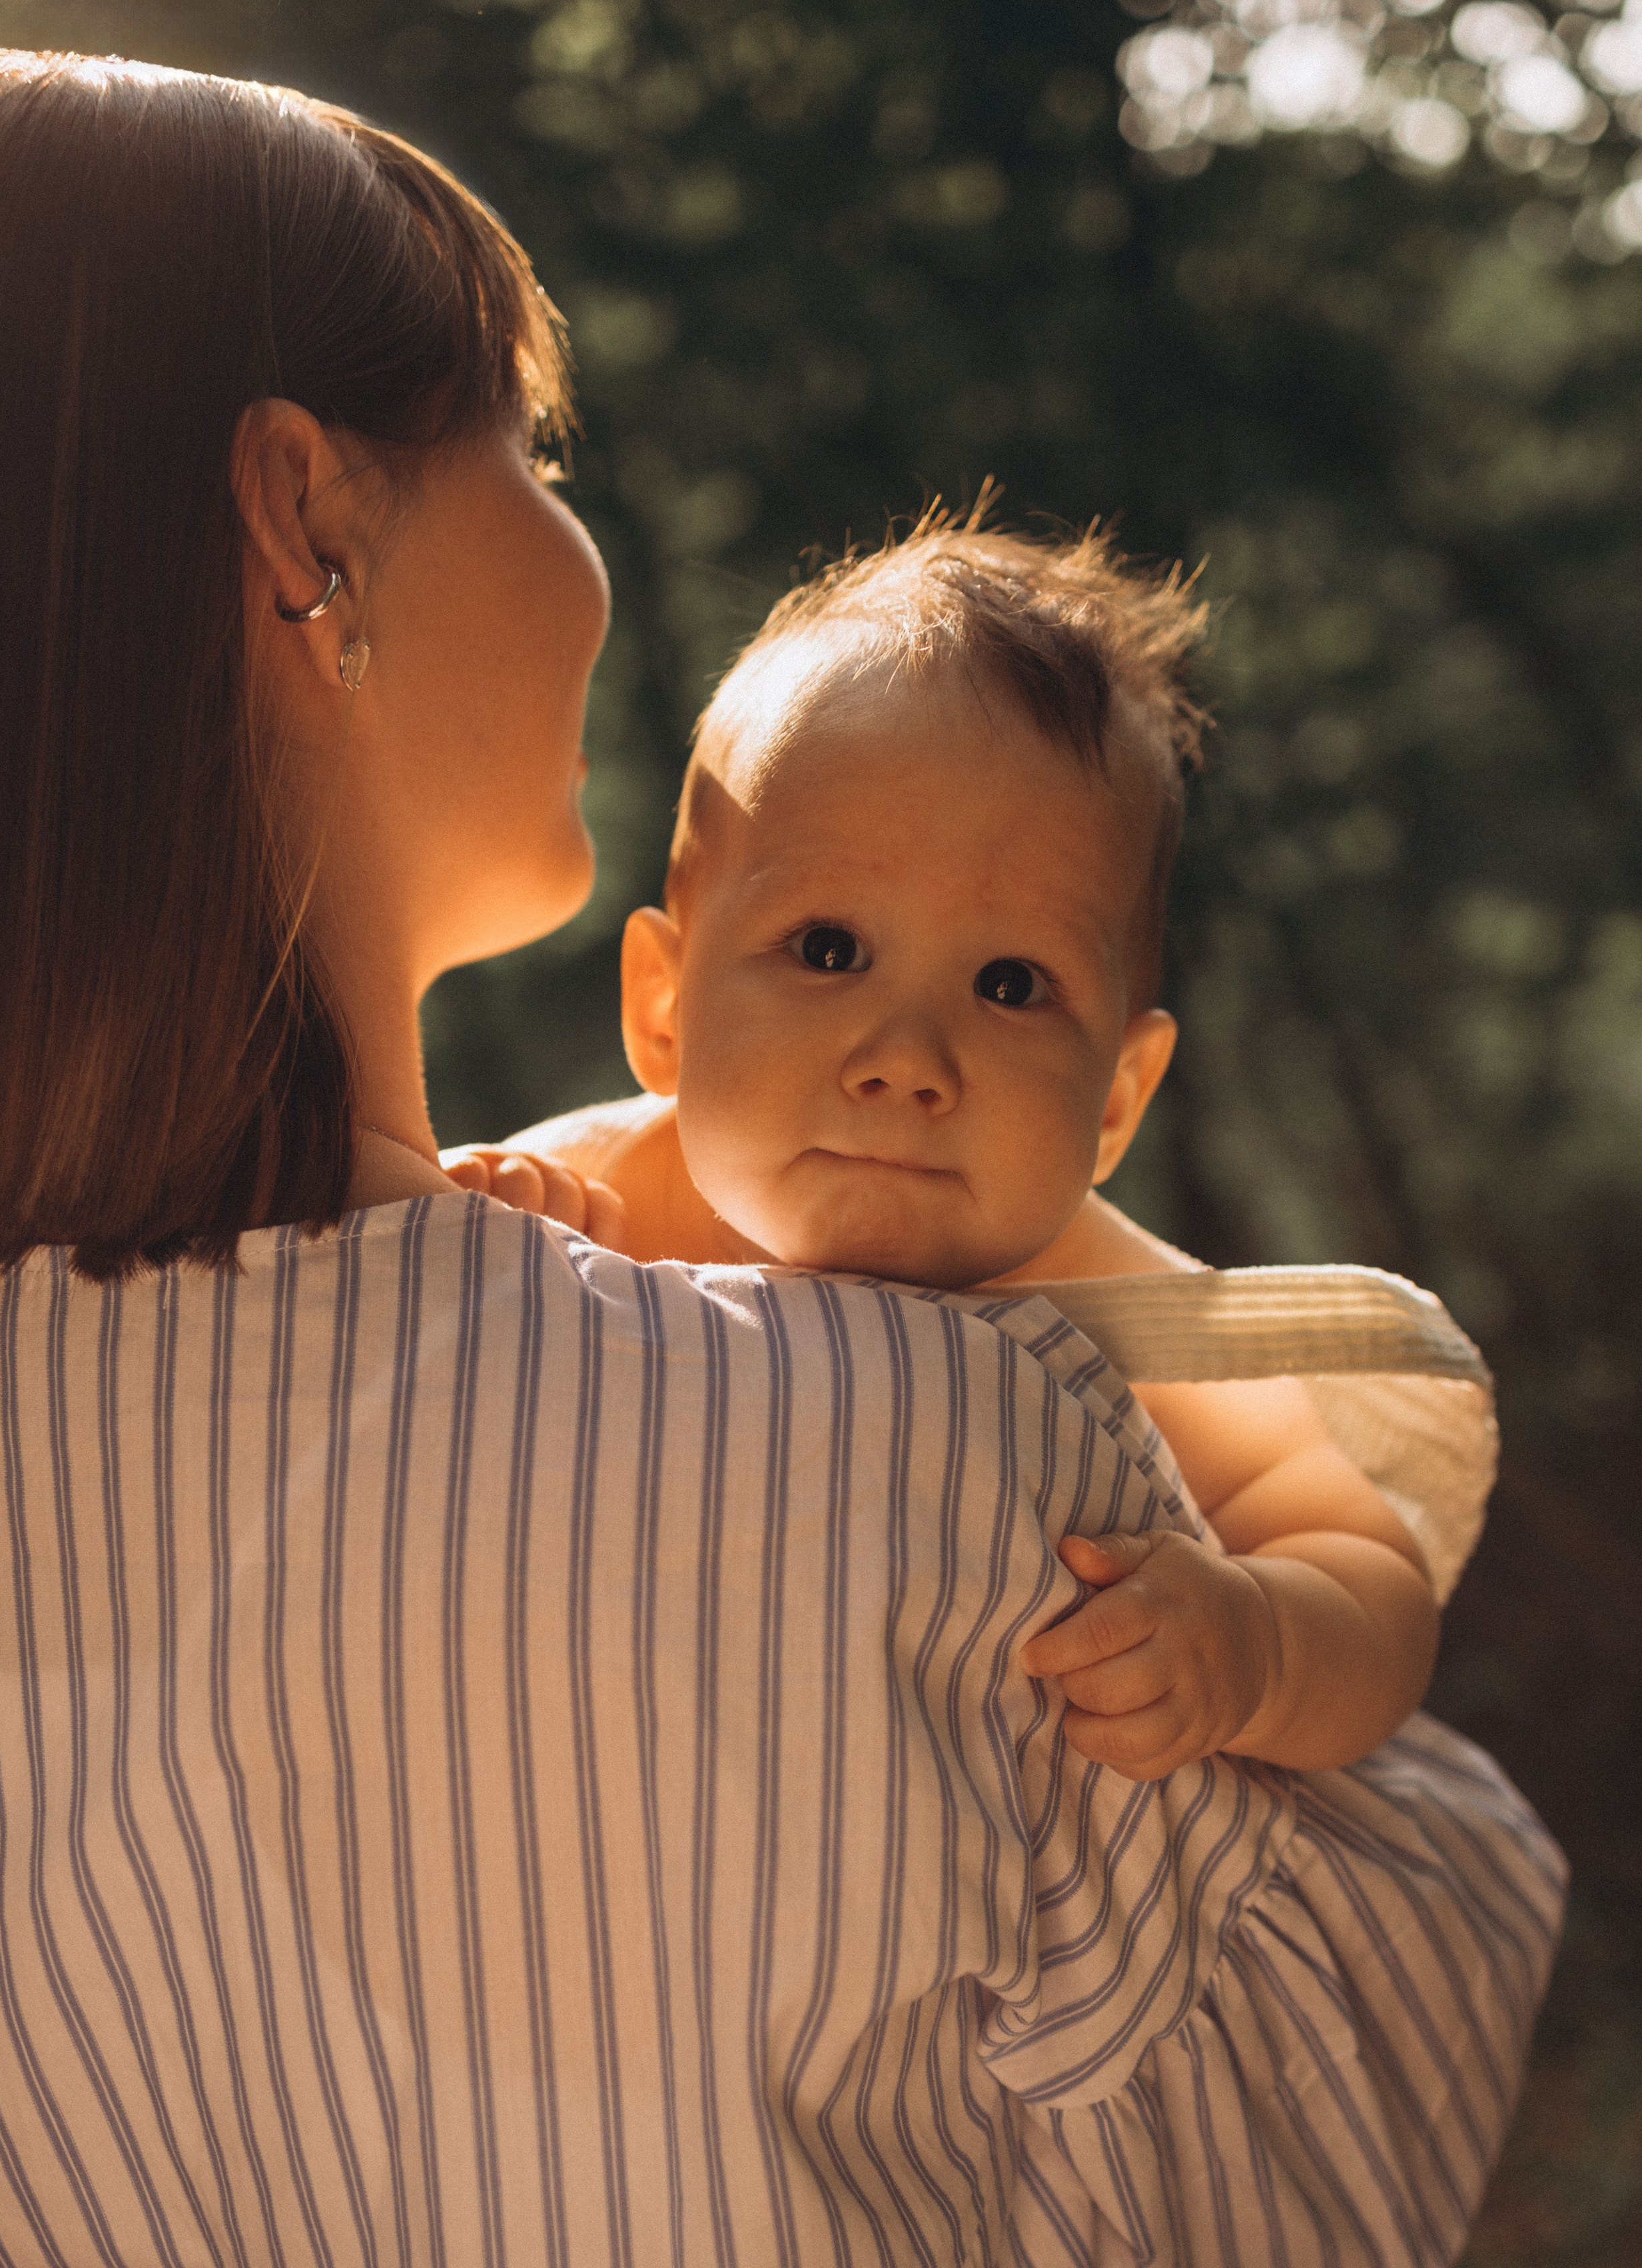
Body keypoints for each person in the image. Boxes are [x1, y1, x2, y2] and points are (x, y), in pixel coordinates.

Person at [0, 50, 1562, 2268]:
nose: (581, 548)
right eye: (533, 446)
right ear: (308, 527)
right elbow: (1364, 2039)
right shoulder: (933, 1456)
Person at [479, 522, 1439, 1780]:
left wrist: (1253, 1643)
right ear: (666, 1010)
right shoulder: (588, 1203)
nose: (908, 1058)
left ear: (1115, 1099)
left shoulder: (1117, 1312)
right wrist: (481, 1219)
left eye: (1010, 982)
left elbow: (1369, 1575)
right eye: (829, 950)